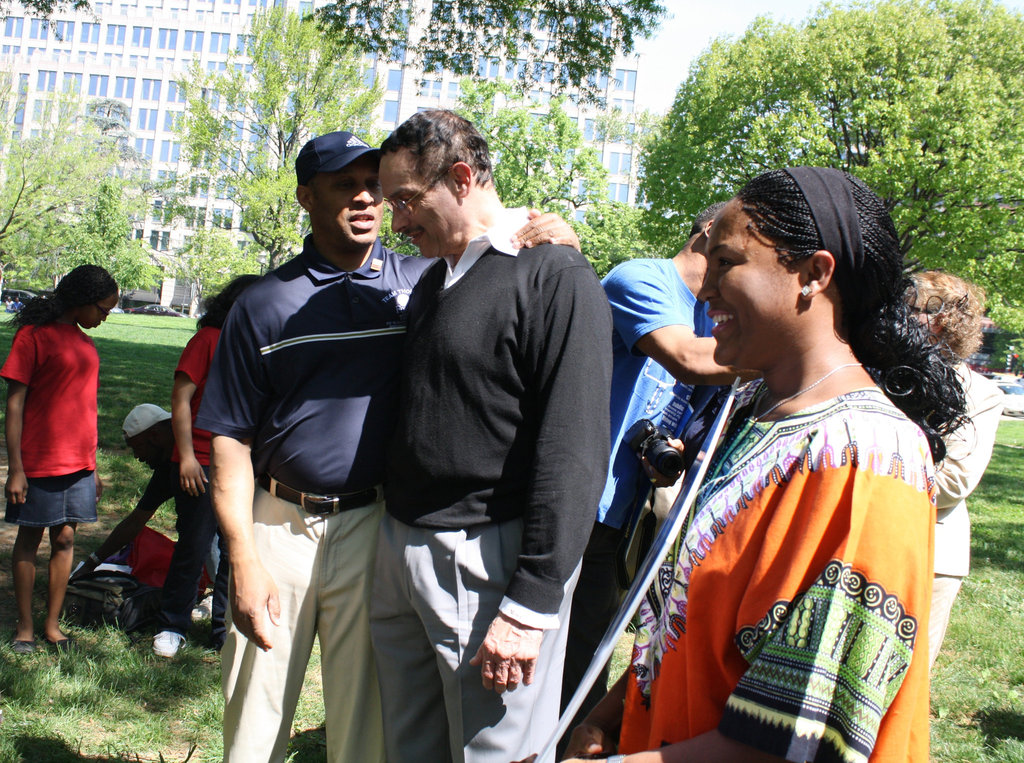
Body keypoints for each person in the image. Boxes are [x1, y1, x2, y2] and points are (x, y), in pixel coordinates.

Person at [196, 130, 578, 763]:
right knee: (255, 713)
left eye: (374, 184)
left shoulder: (423, 282)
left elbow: (492, 259)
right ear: (305, 197)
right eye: (344, 185)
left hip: (379, 526)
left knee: (367, 726)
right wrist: (240, 555)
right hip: (278, 527)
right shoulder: (263, 305)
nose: (366, 198)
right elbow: (230, 437)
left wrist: (545, 231)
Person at [561, 168, 967, 763]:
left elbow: (800, 740)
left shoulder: (868, 461)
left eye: (728, 264)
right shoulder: (758, 415)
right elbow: (688, 625)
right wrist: (612, 715)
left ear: (814, 274)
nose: (704, 291)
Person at [373, 109, 612, 763]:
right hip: (403, 548)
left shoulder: (554, 276)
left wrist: (531, 603)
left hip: (486, 564)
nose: (396, 221)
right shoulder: (431, 279)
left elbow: (575, 450)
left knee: (494, 755)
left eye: (406, 200)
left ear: (460, 176)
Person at [560, 202, 743, 734]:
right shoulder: (641, 277)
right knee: (535, 655)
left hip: (620, 518)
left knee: (586, 664)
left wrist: (673, 459)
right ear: (708, 230)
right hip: (573, 503)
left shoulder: (715, 316)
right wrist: (795, 348)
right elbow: (688, 359)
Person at [2, 264, 119, 654]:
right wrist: (16, 469)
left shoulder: (85, 344)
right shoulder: (32, 337)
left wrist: (94, 467)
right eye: (103, 309)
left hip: (79, 465)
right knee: (29, 540)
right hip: (38, 462)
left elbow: (85, 410)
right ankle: (25, 627)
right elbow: (14, 405)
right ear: (84, 301)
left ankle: (52, 626)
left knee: (66, 539)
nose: (105, 317)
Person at [153, 274, 260, 658]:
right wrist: (184, 457)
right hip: (199, 462)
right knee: (194, 548)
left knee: (237, 551)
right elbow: (180, 400)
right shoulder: (208, 339)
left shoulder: (259, 345)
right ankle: (172, 625)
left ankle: (223, 632)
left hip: (245, 467)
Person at [910, 270, 1004, 666]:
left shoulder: (981, 394)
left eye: (911, 310)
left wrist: (871, 472)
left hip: (931, 555)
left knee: (904, 684)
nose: (899, 318)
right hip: (854, 546)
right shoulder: (868, 375)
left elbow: (954, 480)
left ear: (943, 319)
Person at [72, 404, 177, 579]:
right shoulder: (165, 470)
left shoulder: (193, 457)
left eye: (137, 447)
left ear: (155, 436)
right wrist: (92, 563)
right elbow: (135, 522)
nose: (137, 456)